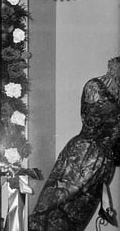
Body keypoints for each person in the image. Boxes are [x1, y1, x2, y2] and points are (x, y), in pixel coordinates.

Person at [29, 56, 120, 231]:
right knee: (51, 211)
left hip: (103, 163)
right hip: (84, 156)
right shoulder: (96, 86)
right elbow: (93, 124)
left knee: (75, 219)